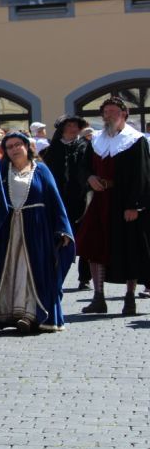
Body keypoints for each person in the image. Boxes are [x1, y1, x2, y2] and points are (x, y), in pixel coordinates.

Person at [0, 130, 74, 332]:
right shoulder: (3, 170)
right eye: (9, 147)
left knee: (33, 271)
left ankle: (30, 314)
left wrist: (63, 229)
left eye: (17, 145)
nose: (13, 150)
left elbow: (55, 200)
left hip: (36, 230)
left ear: (27, 146)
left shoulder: (41, 170)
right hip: (8, 230)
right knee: (11, 268)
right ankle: (9, 313)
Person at [76, 97, 150, 315]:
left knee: (130, 250)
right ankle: (98, 297)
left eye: (113, 111)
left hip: (124, 203)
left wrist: (134, 206)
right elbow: (83, 167)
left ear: (124, 114)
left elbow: (143, 176)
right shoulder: (96, 141)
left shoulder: (136, 141)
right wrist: (89, 178)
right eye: (105, 112)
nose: (108, 115)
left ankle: (130, 298)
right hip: (100, 202)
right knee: (92, 245)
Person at [42, 114, 92, 290]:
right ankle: (55, 273)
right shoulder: (52, 149)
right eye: (69, 125)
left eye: (75, 125)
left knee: (85, 237)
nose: (73, 128)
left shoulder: (85, 146)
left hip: (81, 199)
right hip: (58, 200)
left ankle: (84, 277)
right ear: (62, 128)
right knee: (57, 237)